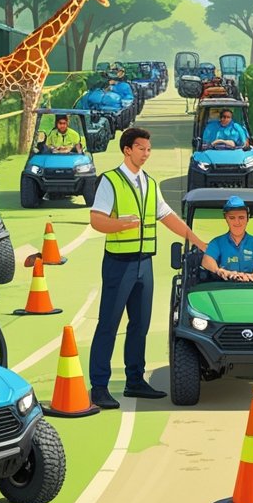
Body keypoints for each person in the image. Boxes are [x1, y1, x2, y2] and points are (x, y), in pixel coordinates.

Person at [89, 126, 209, 409]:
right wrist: (121, 224)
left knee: (140, 324)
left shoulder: (150, 183)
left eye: (148, 149)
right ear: (127, 150)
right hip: (119, 264)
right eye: (141, 148)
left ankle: (135, 380)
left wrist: (198, 241)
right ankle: (99, 386)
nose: (146, 154)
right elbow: (96, 220)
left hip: (145, 264)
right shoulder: (110, 181)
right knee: (109, 324)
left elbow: (167, 216)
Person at [202, 196, 253, 282]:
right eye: (232, 218)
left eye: (241, 217)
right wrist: (220, 271)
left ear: (247, 218)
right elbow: (207, 260)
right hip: (224, 289)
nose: (237, 222)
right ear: (226, 218)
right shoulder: (217, 243)